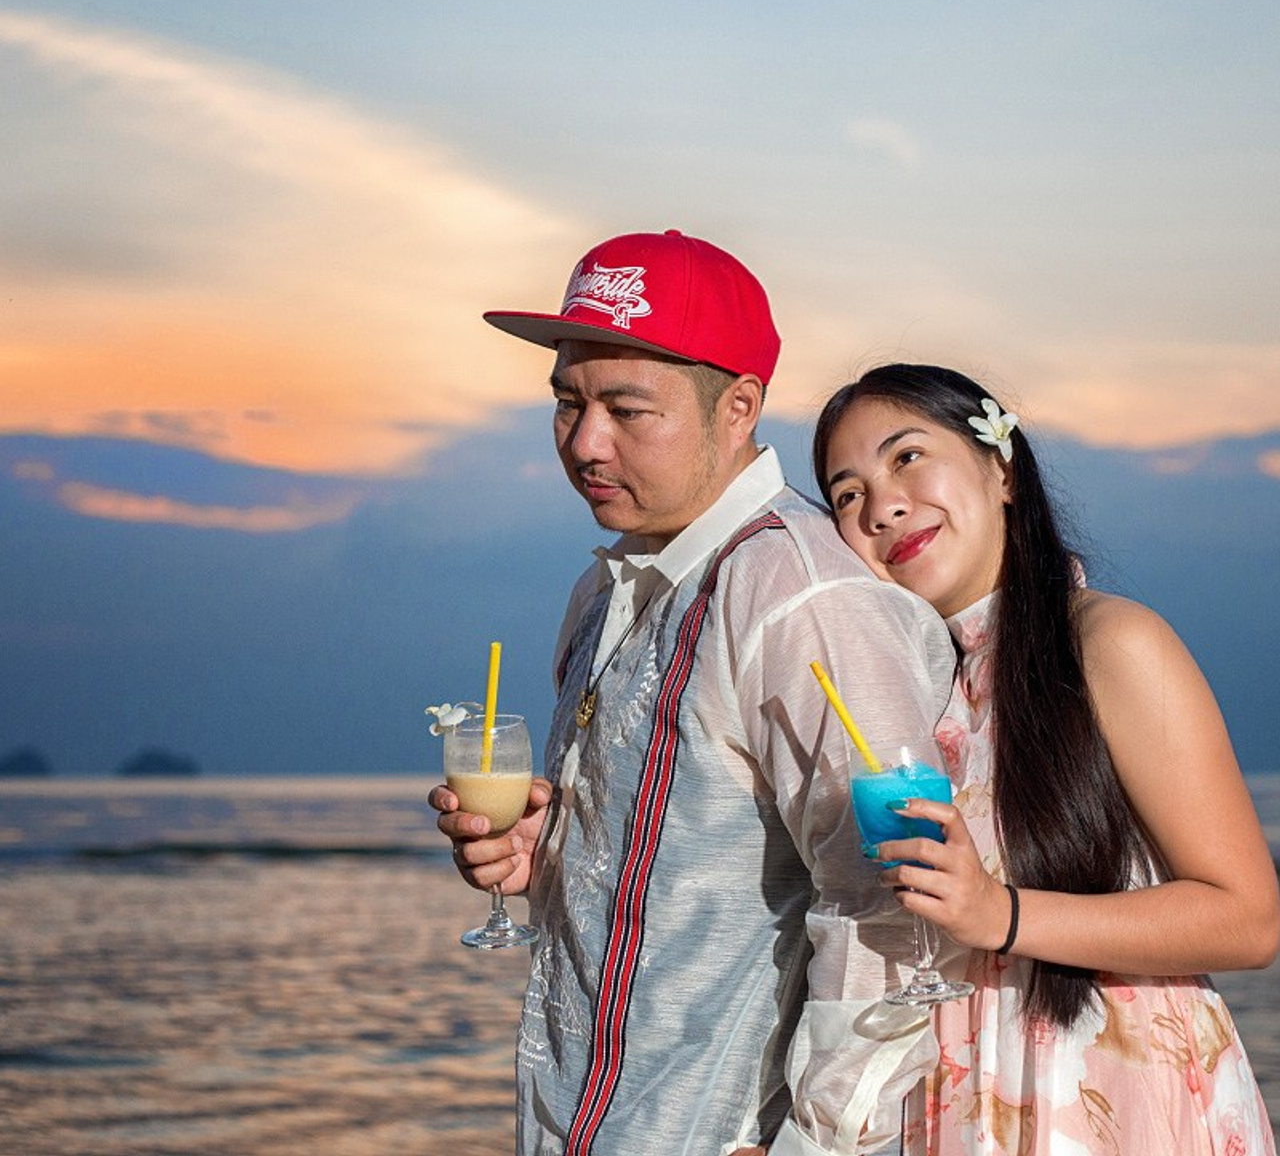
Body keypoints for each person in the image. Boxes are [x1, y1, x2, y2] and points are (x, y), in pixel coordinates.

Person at [430, 231, 957, 1155]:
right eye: (566, 403)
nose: (586, 442)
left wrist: (817, 1148)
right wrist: (543, 854)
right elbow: (672, 855)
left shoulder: (802, 596)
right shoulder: (603, 591)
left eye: (628, 409)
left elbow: (890, 904)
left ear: (738, 407)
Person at [812, 362, 1280, 1155]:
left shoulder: (1111, 643)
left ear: (1001, 470)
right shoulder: (909, 701)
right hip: (964, 1096)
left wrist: (1002, 914)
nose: (882, 505)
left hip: (1120, 1094)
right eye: (846, 494)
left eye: (907, 457)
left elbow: (1249, 919)